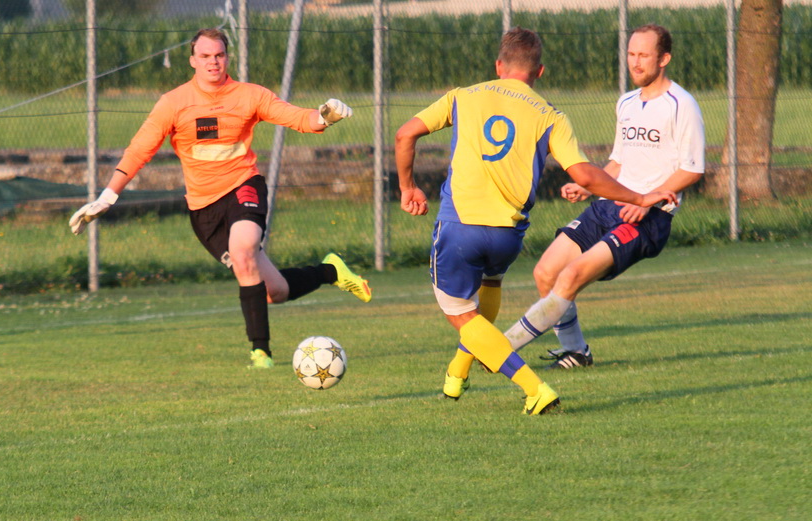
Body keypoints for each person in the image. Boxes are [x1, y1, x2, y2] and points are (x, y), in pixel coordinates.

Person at [394, 27, 677, 414]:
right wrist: (640, 197)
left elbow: (405, 135)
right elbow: (585, 174)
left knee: (459, 313)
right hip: (507, 235)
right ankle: (457, 373)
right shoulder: (550, 116)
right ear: (539, 72)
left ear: (498, 66)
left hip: (460, 226)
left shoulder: (462, 96)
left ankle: (535, 388)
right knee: (489, 282)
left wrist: (408, 187)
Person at [68, 28, 372, 369]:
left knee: (244, 250)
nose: (213, 62)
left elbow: (299, 118)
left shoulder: (250, 95)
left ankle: (260, 352)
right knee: (275, 292)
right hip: (204, 209)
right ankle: (330, 271)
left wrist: (324, 117)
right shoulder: (173, 103)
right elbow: (140, 149)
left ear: (227, 58)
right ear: (192, 61)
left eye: (219, 55)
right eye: (205, 56)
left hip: (244, 187)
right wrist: (108, 196)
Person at [504, 23, 705, 368]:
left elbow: (693, 168)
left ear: (664, 59)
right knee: (546, 273)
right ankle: (576, 352)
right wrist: (588, 186)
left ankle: (502, 347)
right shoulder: (626, 103)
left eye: (644, 55)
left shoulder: (681, 104)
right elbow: (619, 162)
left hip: (647, 217)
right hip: (607, 207)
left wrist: (648, 201)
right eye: (631, 54)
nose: (635, 62)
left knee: (571, 276)